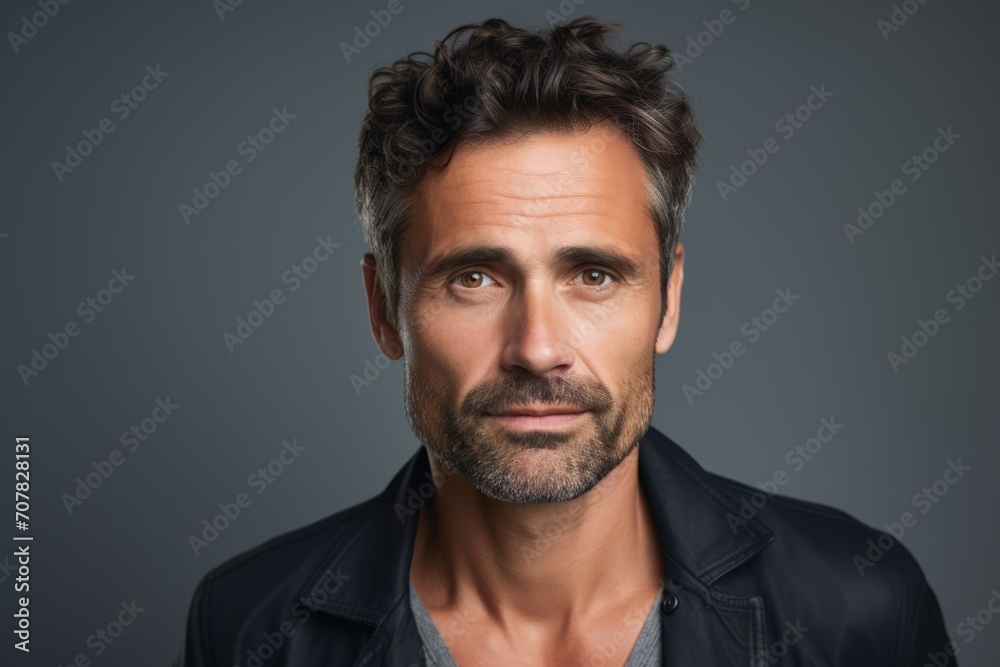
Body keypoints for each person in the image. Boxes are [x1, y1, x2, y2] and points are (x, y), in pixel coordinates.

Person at [176, 16, 955, 666]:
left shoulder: (860, 607)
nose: (538, 347)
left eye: (593, 274)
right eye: (475, 277)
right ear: (384, 309)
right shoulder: (249, 625)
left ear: (668, 298)